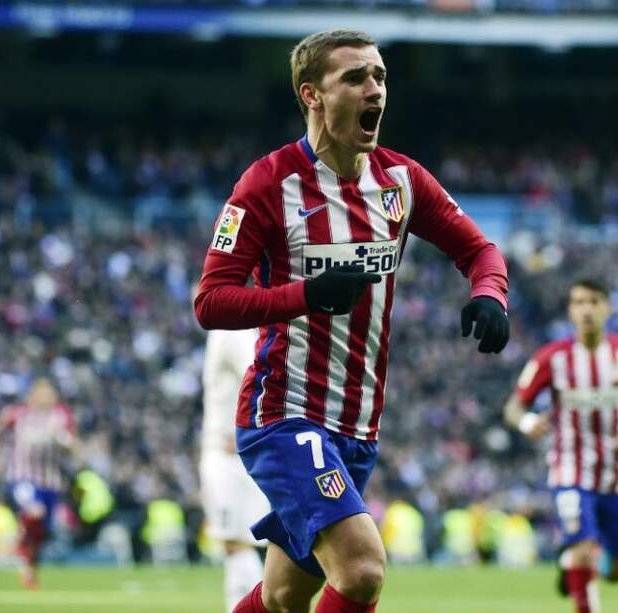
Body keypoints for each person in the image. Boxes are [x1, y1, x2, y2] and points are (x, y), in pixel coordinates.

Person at [194, 29, 510, 613]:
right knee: (362, 568)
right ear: (311, 94)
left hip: (358, 426)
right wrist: (305, 295)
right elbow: (211, 301)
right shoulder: (267, 184)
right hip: (284, 413)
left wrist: (490, 294)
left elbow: (480, 251)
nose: (375, 90)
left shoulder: (401, 181)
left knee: (286, 596)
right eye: (356, 78)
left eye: (381, 77)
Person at [504, 279, 618, 613]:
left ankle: (571, 563)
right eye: (578, 302)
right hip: (569, 469)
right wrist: (528, 422)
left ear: (607, 307)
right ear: (570, 311)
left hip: (615, 474)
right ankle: (576, 562)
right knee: (585, 549)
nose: (586, 309)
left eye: (593, 301)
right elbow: (513, 407)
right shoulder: (551, 358)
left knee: (617, 568)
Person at [199, 327, 270, 611]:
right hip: (227, 449)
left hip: (229, 452)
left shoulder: (229, 330)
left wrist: (242, 429)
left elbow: (257, 372)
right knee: (235, 543)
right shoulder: (227, 331)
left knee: (235, 542)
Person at [0, 378, 76, 589]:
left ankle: (28, 566)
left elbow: (73, 446)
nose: (46, 396)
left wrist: (65, 442)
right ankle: (19, 544)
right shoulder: (17, 414)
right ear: (33, 394)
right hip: (21, 477)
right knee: (34, 511)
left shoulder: (61, 416)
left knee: (42, 532)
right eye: (42, 392)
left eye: (49, 392)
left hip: (50, 482)